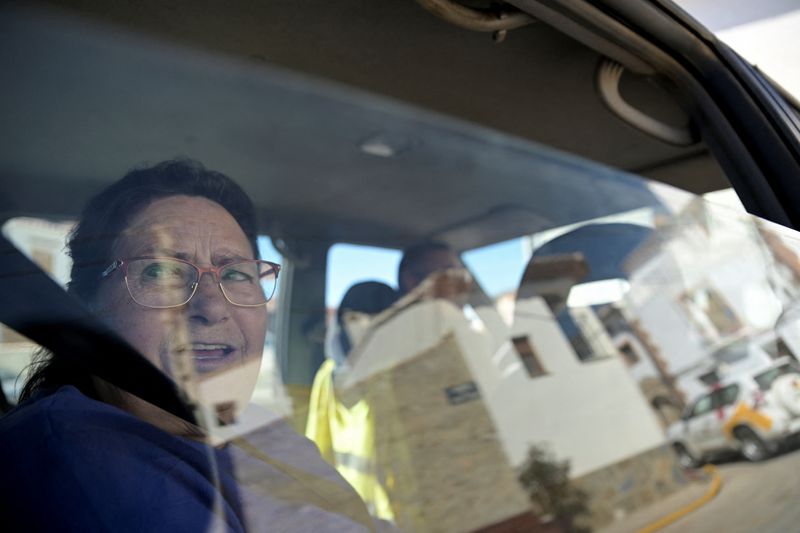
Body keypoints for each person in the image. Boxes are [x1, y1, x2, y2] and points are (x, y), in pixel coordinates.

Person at [0, 159, 383, 532]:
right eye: (161, 270)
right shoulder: (82, 463)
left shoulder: (252, 426)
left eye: (235, 273)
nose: (213, 306)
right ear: (88, 308)